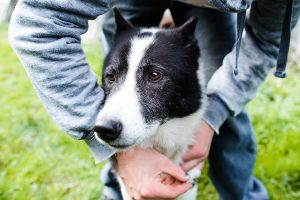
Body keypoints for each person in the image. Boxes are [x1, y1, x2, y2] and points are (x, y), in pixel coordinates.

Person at [8, 0, 300, 200]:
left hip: (215, 8)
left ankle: (241, 192)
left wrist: (216, 113)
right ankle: (119, 188)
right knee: (124, 69)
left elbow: (263, 41)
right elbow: (39, 26)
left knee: (225, 79)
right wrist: (120, 155)